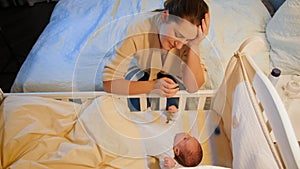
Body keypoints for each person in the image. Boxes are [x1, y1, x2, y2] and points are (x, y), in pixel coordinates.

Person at [102, 0, 210, 111]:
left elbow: (193, 87)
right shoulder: (136, 30)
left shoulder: (190, 39)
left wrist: (194, 45)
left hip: (169, 73)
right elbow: (109, 83)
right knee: (135, 87)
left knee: (173, 87)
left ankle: (171, 108)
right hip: (142, 69)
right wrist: (152, 85)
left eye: (187, 39)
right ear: (164, 17)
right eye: (177, 34)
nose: (179, 46)